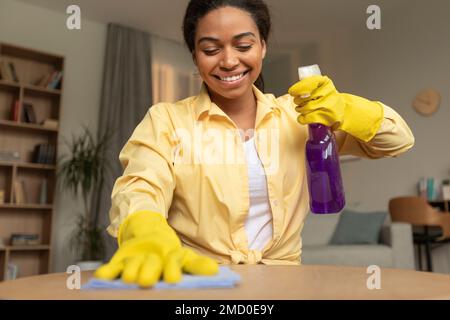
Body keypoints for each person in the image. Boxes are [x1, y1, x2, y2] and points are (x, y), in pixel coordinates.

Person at [95, 0, 414, 287]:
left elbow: (397, 140)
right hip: (200, 284)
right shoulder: (166, 120)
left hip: (286, 283)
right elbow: (140, 187)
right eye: (210, 49)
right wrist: (144, 227)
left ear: (262, 46)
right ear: (195, 57)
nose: (229, 61)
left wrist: (346, 109)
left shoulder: (300, 116)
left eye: (243, 44)